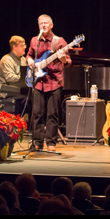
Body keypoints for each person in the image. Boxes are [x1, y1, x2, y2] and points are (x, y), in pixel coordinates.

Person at [26, 14, 72, 152]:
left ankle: (51, 143)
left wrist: (63, 59)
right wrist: (29, 60)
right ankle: (37, 143)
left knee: (52, 114)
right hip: (38, 82)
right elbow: (29, 54)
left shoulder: (59, 41)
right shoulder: (35, 40)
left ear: (51, 25)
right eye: (41, 24)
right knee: (37, 113)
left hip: (54, 82)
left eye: (46, 23)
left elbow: (68, 62)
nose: (43, 25)